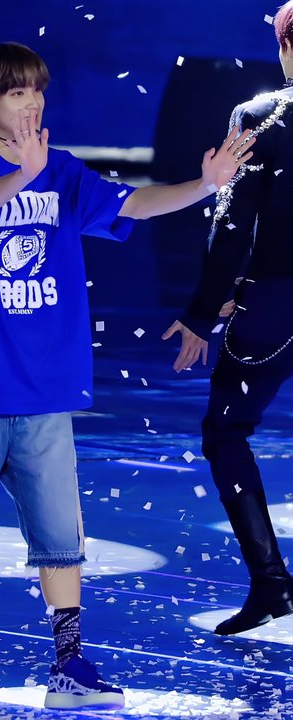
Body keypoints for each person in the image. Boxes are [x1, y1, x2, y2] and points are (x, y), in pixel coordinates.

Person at [0, 41, 253, 714]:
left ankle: (69, 663)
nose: (32, 102)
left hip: (45, 390)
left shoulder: (62, 171)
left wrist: (204, 186)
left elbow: (133, 205)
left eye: (37, 89)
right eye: (17, 92)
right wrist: (23, 175)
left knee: (61, 536)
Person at [163, 2, 293, 636]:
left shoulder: (261, 117)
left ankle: (271, 582)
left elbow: (233, 223)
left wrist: (202, 311)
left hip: (275, 306)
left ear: (286, 47)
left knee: (226, 432)